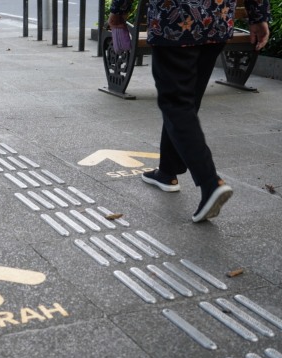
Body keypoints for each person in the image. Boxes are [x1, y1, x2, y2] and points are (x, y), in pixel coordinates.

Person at [108, 0, 270, 222]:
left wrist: (118, 11)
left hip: (173, 22)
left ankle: (210, 182)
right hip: (216, 21)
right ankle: (167, 172)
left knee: (176, 103)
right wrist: (258, 16)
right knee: (186, 101)